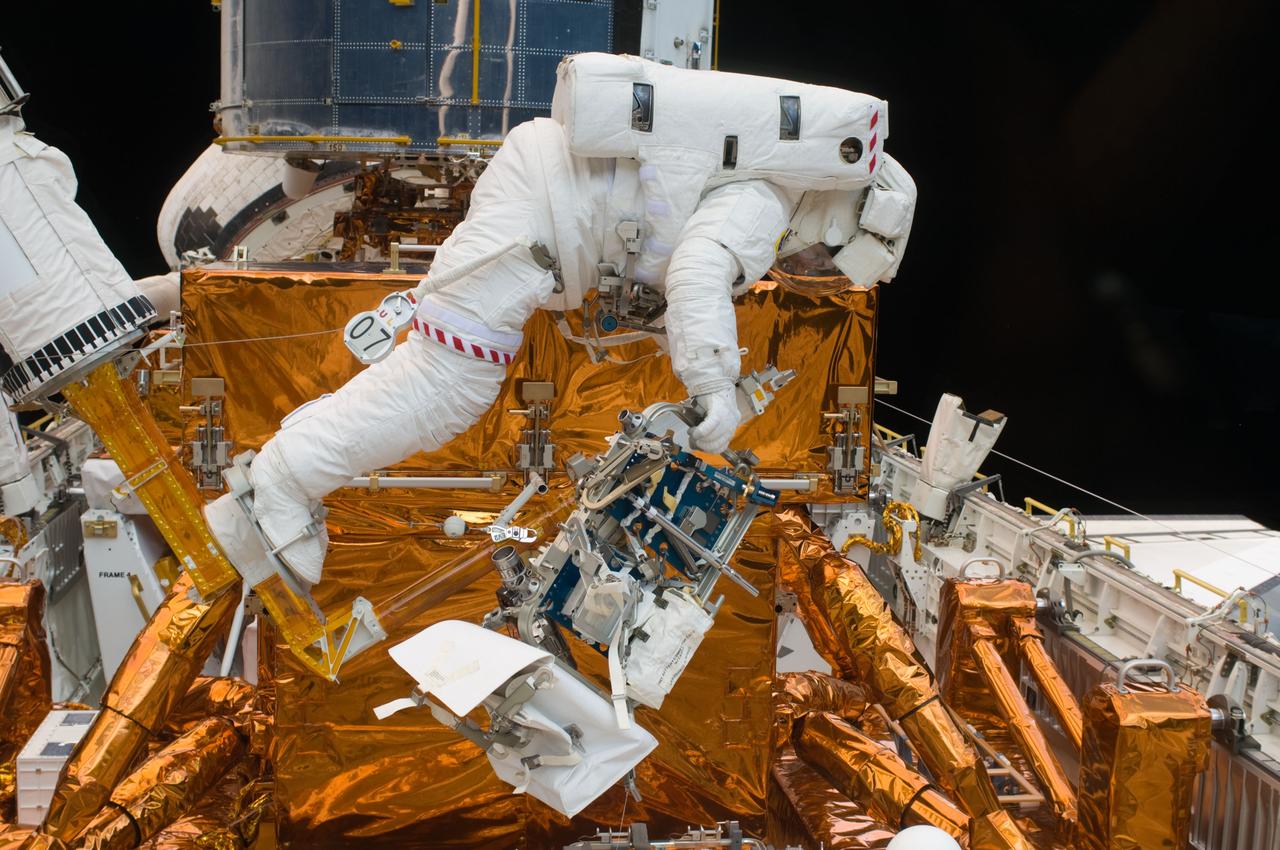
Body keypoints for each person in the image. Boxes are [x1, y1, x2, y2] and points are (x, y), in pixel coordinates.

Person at [242, 54, 917, 586]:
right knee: (445, 387)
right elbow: (698, 271)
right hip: (540, 215)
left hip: (539, 196)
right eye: (828, 254)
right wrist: (715, 386)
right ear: (846, 215)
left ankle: (299, 464)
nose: (811, 264)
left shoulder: (766, 183)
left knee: (438, 378)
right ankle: (283, 480)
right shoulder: (769, 202)